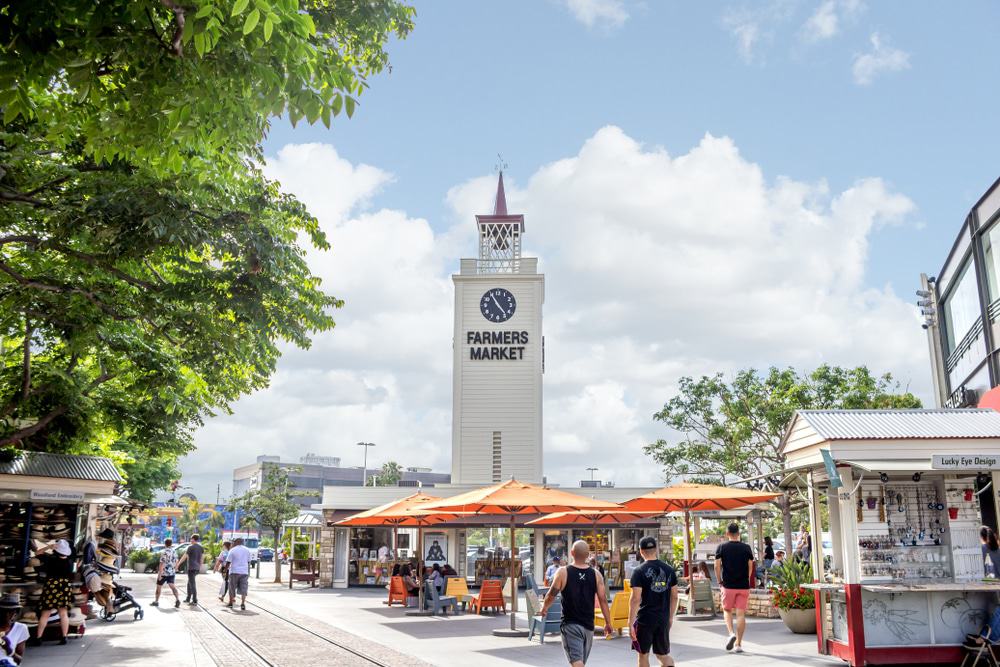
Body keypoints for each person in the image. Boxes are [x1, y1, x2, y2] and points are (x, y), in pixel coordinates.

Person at [539, 540, 612, 667]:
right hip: (589, 626)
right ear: (587, 555)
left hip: (570, 624)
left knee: (577, 663)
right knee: (579, 661)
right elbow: (603, 600)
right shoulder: (596, 574)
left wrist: (544, 608)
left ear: (572, 553)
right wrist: (608, 622)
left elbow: (551, 595)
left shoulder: (563, 572)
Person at [629, 537, 678, 667]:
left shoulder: (639, 571)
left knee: (643, 654)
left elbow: (635, 599)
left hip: (645, 619)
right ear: (656, 549)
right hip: (663, 618)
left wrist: (630, 623)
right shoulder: (669, 570)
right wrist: (670, 617)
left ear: (641, 551)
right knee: (662, 655)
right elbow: (674, 597)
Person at [714, 522, 755, 654]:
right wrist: (747, 578)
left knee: (727, 610)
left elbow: (716, 566)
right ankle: (738, 644)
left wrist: (719, 581)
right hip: (743, 586)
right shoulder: (746, 548)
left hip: (728, 585)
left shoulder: (721, 547)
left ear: (727, 533)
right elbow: (750, 566)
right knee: (740, 614)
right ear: (738, 533)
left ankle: (731, 633)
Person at [32, 539, 74, 645]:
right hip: (64, 587)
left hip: (51, 586)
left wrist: (48, 547)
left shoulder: (50, 559)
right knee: (63, 613)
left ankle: (38, 638)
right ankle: (64, 637)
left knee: (45, 614)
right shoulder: (69, 562)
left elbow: (36, 553)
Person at [151, 538, 181, 608]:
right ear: (171, 544)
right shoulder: (174, 551)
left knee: (159, 587)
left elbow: (162, 563)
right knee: (172, 586)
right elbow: (177, 561)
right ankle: (177, 599)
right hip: (171, 573)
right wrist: (175, 568)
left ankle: (156, 601)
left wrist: (159, 574)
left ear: (165, 544)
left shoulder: (164, 552)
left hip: (164, 573)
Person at [0, 594, 29, 665]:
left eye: (10, 612)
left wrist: (8, 649)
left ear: (15, 614)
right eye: (3, 611)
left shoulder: (21, 628)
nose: (7, 615)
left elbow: (18, 661)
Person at [177, 534, 205, 605]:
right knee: (189, 583)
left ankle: (195, 600)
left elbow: (184, 556)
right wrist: (200, 566)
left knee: (192, 584)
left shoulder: (190, 547)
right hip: (197, 568)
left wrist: (178, 564)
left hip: (191, 568)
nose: (190, 540)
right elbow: (202, 558)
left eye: (191, 539)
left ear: (193, 539)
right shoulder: (201, 547)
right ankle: (188, 598)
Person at [226, 537, 252, 611]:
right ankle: (243, 603)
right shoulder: (247, 550)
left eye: (234, 542)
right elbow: (248, 561)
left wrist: (225, 570)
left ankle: (231, 603)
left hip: (234, 572)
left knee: (232, 588)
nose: (233, 543)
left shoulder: (232, 550)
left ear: (236, 542)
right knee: (244, 588)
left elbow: (228, 562)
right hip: (244, 572)